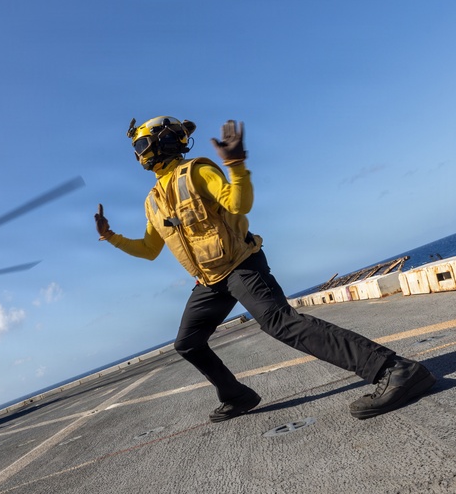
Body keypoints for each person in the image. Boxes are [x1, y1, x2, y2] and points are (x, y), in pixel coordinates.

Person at [95, 116, 436, 422]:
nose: (140, 154)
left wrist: (235, 165)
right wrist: (110, 236)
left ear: (163, 141)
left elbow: (238, 204)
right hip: (211, 280)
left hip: (242, 265)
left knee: (280, 322)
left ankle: (394, 370)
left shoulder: (197, 171)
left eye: (142, 144)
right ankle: (237, 396)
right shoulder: (152, 200)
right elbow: (148, 249)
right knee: (187, 343)